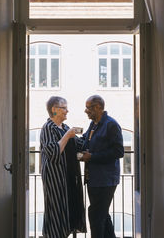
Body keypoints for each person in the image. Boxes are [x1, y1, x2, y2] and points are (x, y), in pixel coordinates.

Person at [78, 95, 124, 238]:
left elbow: (118, 151)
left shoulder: (111, 124)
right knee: (103, 215)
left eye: (88, 108)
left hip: (106, 179)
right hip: (93, 179)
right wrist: (68, 135)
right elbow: (84, 141)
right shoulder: (94, 124)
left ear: (98, 107)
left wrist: (92, 157)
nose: (86, 111)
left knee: (96, 216)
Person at [40, 96, 86, 238]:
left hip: (69, 178)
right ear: (54, 110)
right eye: (64, 108)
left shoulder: (65, 128)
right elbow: (53, 153)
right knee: (57, 211)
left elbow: (80, 145)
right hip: (56, 179)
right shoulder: (48, 128)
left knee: (69, 210)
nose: (67, 111)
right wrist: (67, 135)